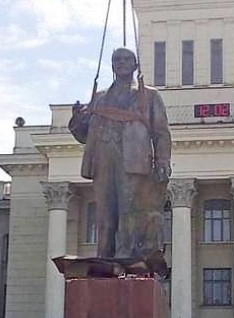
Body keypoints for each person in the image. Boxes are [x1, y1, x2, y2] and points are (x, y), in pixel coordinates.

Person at [69, 47, 172, 261]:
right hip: (103, 157)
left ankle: (126, 257)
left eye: (127, 59)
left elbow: (161, 132)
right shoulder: (99, 97)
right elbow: (83, 135)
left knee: (130, 209)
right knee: (104, 212)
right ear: (112, 65)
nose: (121, 62)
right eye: (117, 59)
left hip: (133, 159)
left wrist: (163, 160)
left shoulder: (149, 95)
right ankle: (105, 256)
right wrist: (77, 119)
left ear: (135, 65)